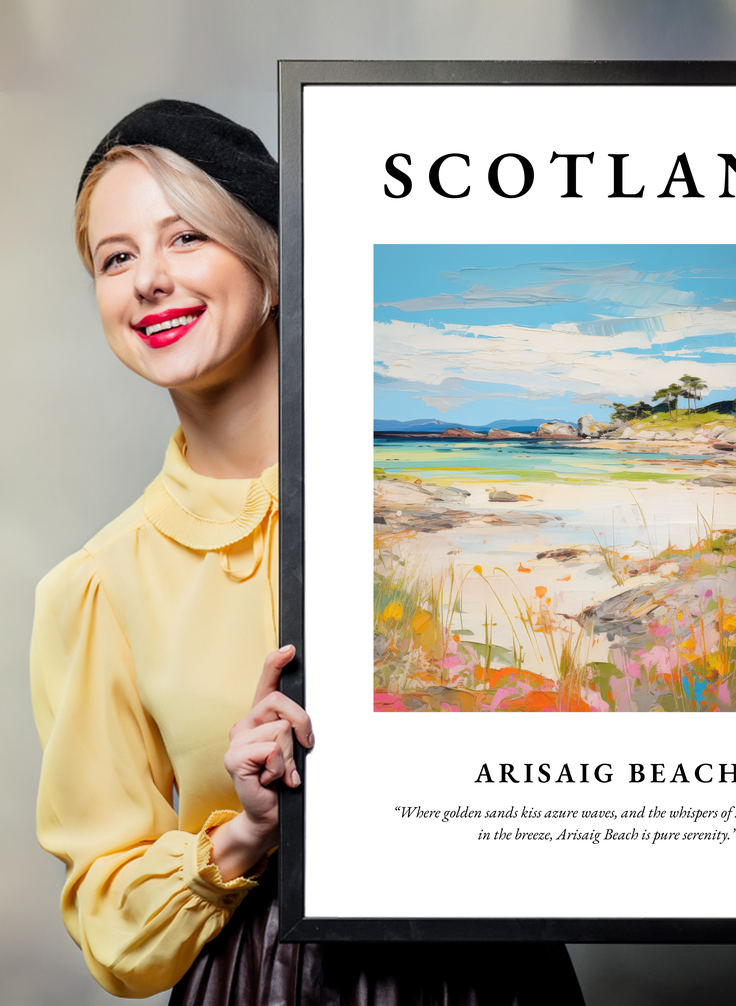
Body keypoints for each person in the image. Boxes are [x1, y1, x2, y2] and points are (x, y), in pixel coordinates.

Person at [30, 100, 585, 1004]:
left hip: (493, 972)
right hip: (263, 981)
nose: (148, 281)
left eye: (186, 239)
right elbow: (110, 925)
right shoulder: (97, 587)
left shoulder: (439, 513)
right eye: (116, 257)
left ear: (273, 264)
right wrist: (245, 832)